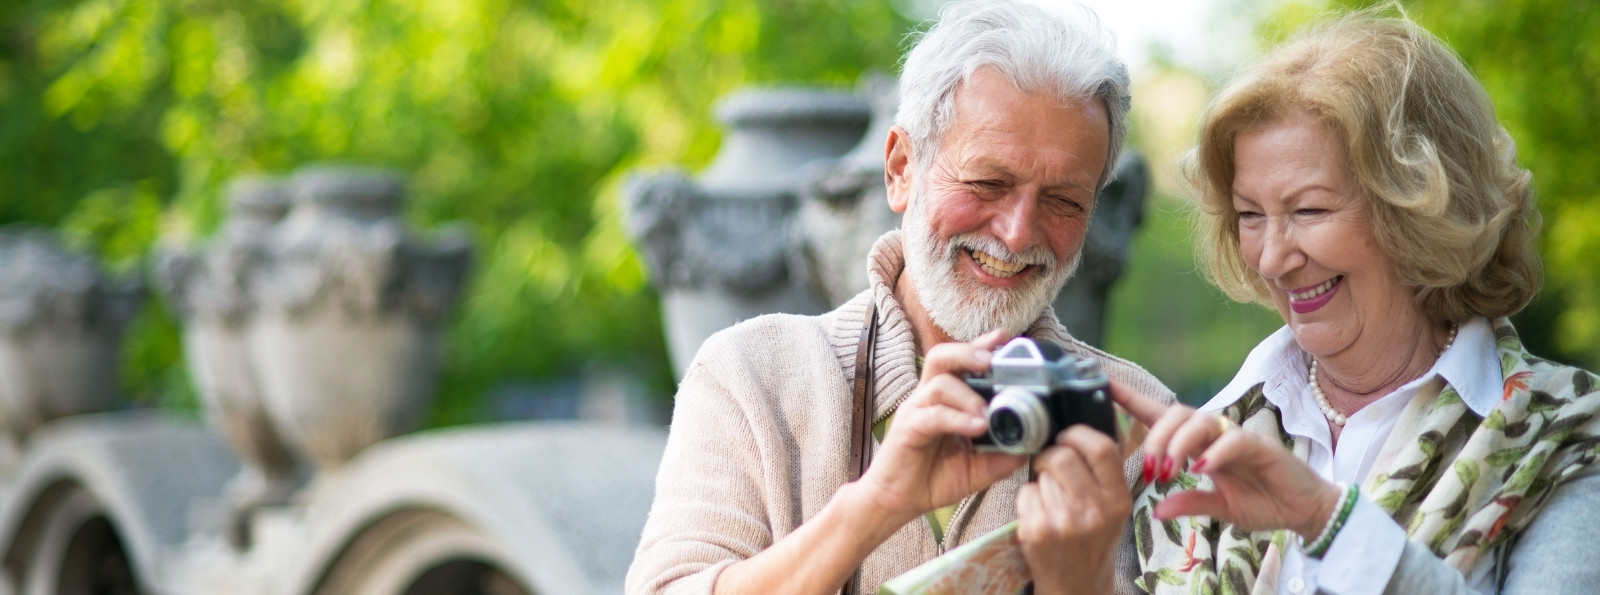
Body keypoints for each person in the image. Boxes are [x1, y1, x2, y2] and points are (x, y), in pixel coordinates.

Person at [626, 1, 1176, 594]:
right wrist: (875, 504)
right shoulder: (750, 376)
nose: (1018, 232)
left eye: (1064, 201)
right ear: (900, 168)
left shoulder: (1144, 424)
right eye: (988, 183)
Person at [1110, 11, 1600, 594]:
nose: (1271, 258)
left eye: (1309, 210)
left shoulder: (1566, 435)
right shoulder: (1197, 441)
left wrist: (1326, 521)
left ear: (1420, 209)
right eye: (1250, 216)